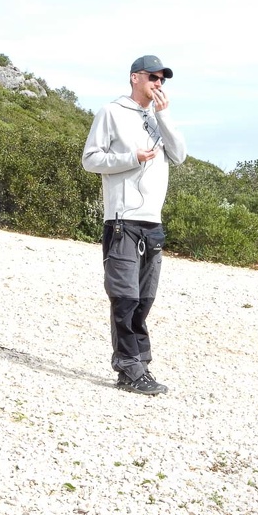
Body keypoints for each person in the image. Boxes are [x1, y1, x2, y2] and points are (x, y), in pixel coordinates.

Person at [81, 55, 187, 396]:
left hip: (152, 223)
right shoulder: (111, 112)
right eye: (153, 77)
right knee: (124, 298)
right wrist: (131, 158)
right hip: (122, 221)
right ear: (134, 78)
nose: (158, 83)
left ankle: (140, 363)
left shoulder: (157, 119)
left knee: (144, 298)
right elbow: (90, 160)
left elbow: (180, 155)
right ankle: (129, 370)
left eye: (162, 79)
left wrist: (164, 115)